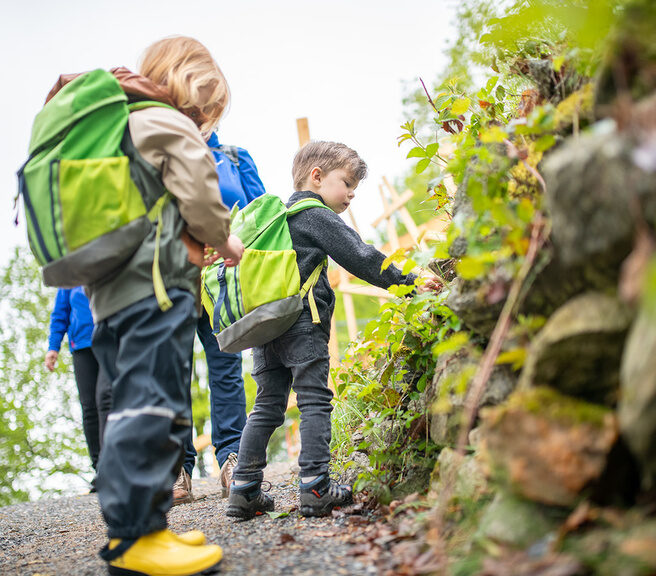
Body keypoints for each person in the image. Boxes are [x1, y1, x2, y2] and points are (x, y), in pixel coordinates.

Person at [62, 37, 244, 575]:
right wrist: (225, 240)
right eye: (205, 112)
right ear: (189, 91)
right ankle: (138, 541)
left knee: (133, 402)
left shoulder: (120, 121)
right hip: (156, 292)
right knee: (155, 407)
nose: (206, 125)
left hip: (112, 296)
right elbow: (200, 191)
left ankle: (140, 532)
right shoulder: (165, 122)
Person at [227, 141, 441, 519]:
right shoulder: (314, 214)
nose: (352, 193)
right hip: (301, 327)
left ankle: (243, 490)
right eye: (347, 183)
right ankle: (315, 486)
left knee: (266, 407)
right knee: (313, 399)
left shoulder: (276, 219)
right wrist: (408, 283)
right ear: (317, 177)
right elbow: (360, 256)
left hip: (266, 327)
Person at [173, 131, 267, 504]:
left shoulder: (235, 156)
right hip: (172, 282)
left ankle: (232, 459)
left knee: (226, 370)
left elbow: (261, 215)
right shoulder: (167, 149)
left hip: (224, 282)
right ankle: (177, 469)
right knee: (172, 374)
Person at [44, 287, 111, 481]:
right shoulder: (70, 277)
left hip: (108, 339)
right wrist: (53, 347)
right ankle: (100, 468)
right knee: (89, 407)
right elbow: (60, 312)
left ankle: (114, 462)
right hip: (81, 346)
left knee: (107, 400)